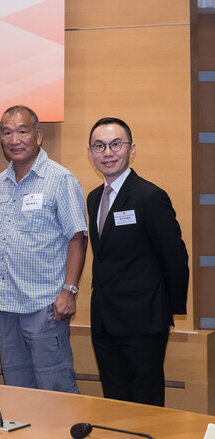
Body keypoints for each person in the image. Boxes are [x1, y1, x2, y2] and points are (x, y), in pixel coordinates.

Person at [86, 117, 189, 406]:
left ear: (132, 149)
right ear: (90, 152)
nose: (108, 152)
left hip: (144, 322)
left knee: (146, 402)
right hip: (105, 321)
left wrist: (167, 311)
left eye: (116, 144)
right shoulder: (94, 198)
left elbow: (175, 258)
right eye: (99, 146)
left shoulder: (150, 196)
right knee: (115, 402)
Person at [0, 105, 87, 393]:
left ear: (38, 136)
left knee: (55, 388)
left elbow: (77, 238)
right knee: (17, 390)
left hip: (45, 306)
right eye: (7, 132)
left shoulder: (60, 179)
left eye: (22, 131)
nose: (14, 139)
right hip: (6, 307)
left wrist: (69, 291)